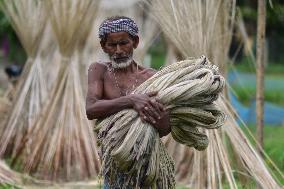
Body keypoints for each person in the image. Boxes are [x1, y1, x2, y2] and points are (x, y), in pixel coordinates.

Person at [85, 16, 171, 188]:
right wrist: (131, 100)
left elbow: (165, 128)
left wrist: (159, 120)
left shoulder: (151, 77)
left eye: (124, 43)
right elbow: (91, 109)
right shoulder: (99, 70)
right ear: (104, 46)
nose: (118, 50)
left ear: (135, 42)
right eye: (112, 45)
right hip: (116, 162)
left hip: (148, 161)